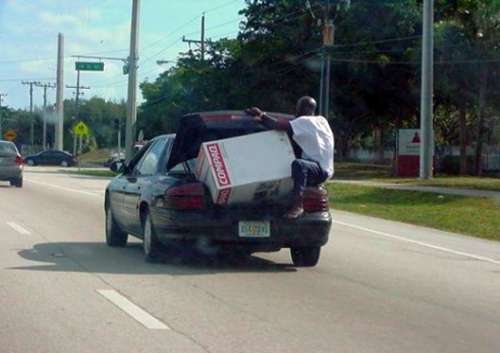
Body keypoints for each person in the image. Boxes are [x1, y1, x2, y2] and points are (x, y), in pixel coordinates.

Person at [246, 96, 334, 219]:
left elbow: (277, 125)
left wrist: (261, 114)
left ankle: (298, 206)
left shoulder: (304, 121)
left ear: (303, 108)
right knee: (299, 163)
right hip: (324, 169)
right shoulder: (322, 121)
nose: (296, 111)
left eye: (298, 107)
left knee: (299, 165)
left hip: (319, 170)